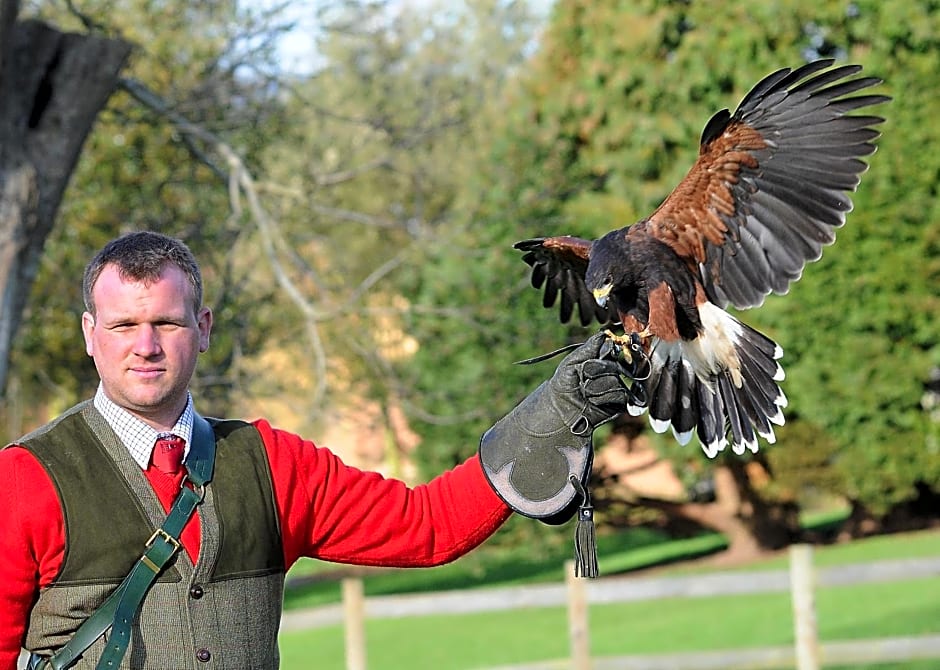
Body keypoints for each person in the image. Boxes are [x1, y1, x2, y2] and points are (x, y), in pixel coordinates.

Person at [0, 231, 634, 669]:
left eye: (166, 322)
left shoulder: (271, 464)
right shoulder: (24, 480)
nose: (146, 345)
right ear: (91, 334)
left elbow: (428, 527)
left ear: (203, 327)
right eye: (122, 326)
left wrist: (555, 413)